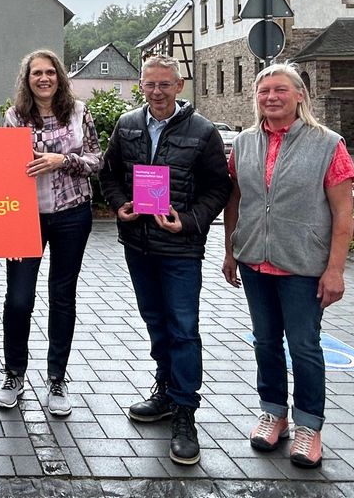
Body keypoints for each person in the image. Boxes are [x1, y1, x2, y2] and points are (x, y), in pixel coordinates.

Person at [97, 54, 230, 465]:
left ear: (179, 86)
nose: (157, 92)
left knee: (184, 329)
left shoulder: (203, 131)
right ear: (141, 85)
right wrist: (120, 204)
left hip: (180, 249)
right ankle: (165, 391)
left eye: (165, 85)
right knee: (157, 324)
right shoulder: (128, 124)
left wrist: (188, 221)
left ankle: (186, 411)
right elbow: (109, 174)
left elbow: (218, 189)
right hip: (139, 245)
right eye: (150, 85)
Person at [222, 63, 354, 469]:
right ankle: (273, 414)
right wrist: (231, 250)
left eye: (280, 90)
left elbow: (343, 214)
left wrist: (335, 270)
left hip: (303, 264)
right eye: (263, 92)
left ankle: (309, 427)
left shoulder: (327, 144)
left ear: (300, 96)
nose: (271, 97)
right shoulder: (243, 143)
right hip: (254, 261)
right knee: (264, 342)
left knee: (304, 347)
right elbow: (236, 201)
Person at [0, 50, 101, 417]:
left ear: (60, 76)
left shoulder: (79, 112)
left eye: (50, 72)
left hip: (73, 214)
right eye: (36, 73)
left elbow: (96, 160)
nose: (43, 78)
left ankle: (57, 377)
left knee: (62, 296)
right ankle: (14, 374)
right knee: (19, 298)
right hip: (27, 217)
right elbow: (3, 169)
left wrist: (63, 160)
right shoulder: (14, 117)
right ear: (27, 79)